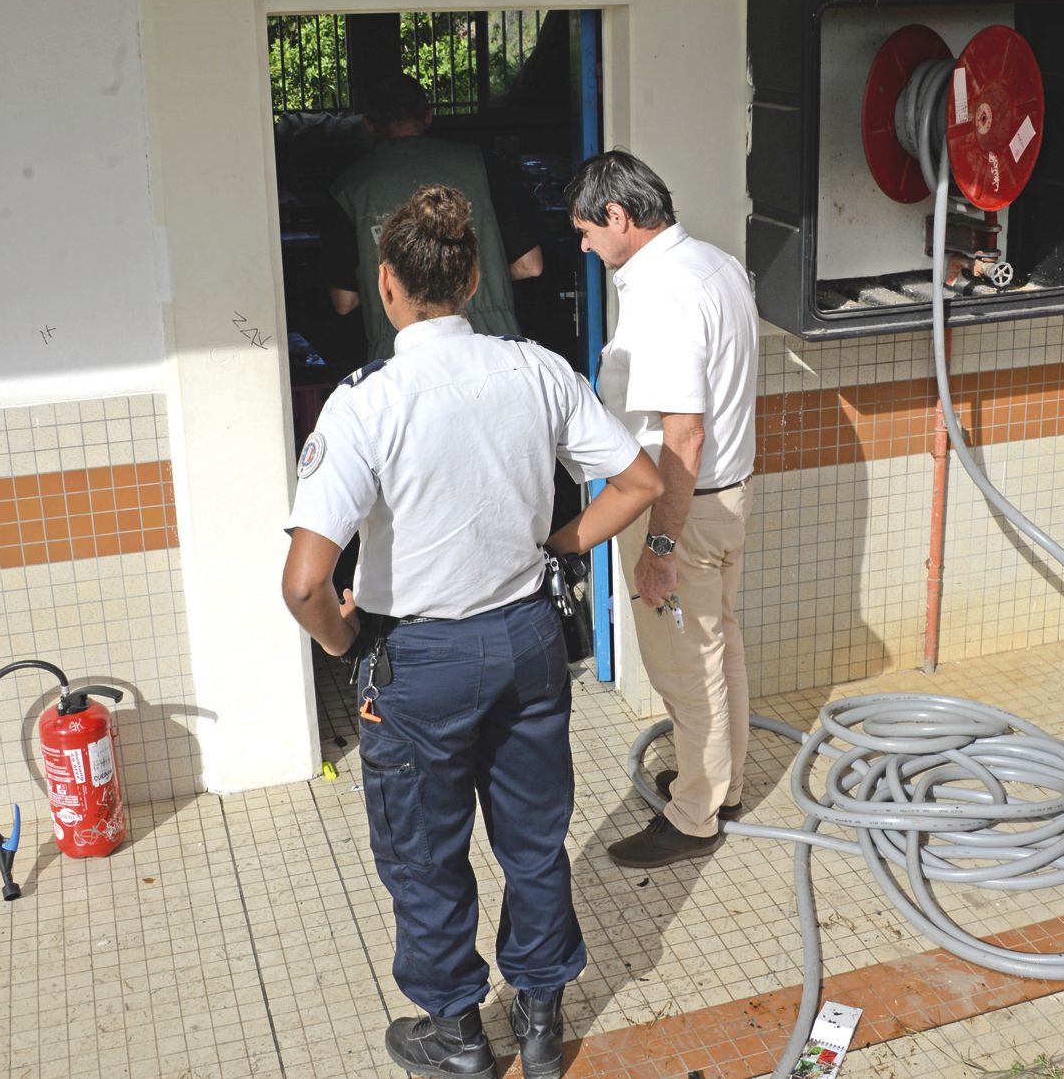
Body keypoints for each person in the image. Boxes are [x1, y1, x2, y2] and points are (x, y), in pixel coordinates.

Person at [282, 185, 661, 1079]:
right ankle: (538, 1020)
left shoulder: (364, 402)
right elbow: (638, 482)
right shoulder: (535, 368)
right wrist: (563, 541)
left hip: (420, 662)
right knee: (533, 843)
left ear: (386, 284)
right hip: (528, 640)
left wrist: (341, 644)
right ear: (475, 274)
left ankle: (457, 1037)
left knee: (425, 854)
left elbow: (305, 583)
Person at [565, 150, 760, 869]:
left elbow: (683, 431)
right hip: (726, 495)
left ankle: (694, 817)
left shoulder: (663, 292)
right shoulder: (716, 264)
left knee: (686, 669)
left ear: (618, 217)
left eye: (587, 230)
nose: (584, 245)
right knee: (715, 648)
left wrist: (660, 548)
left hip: (686, 509)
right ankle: (722, 785)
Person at [321, 73, 544, 361]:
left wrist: (407, 287)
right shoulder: (482, 165)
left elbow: (344, 301)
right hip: (493, 346)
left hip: (400, 358)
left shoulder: (349, 189)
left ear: (369, 125)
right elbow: (531, 265)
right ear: (428, 116)